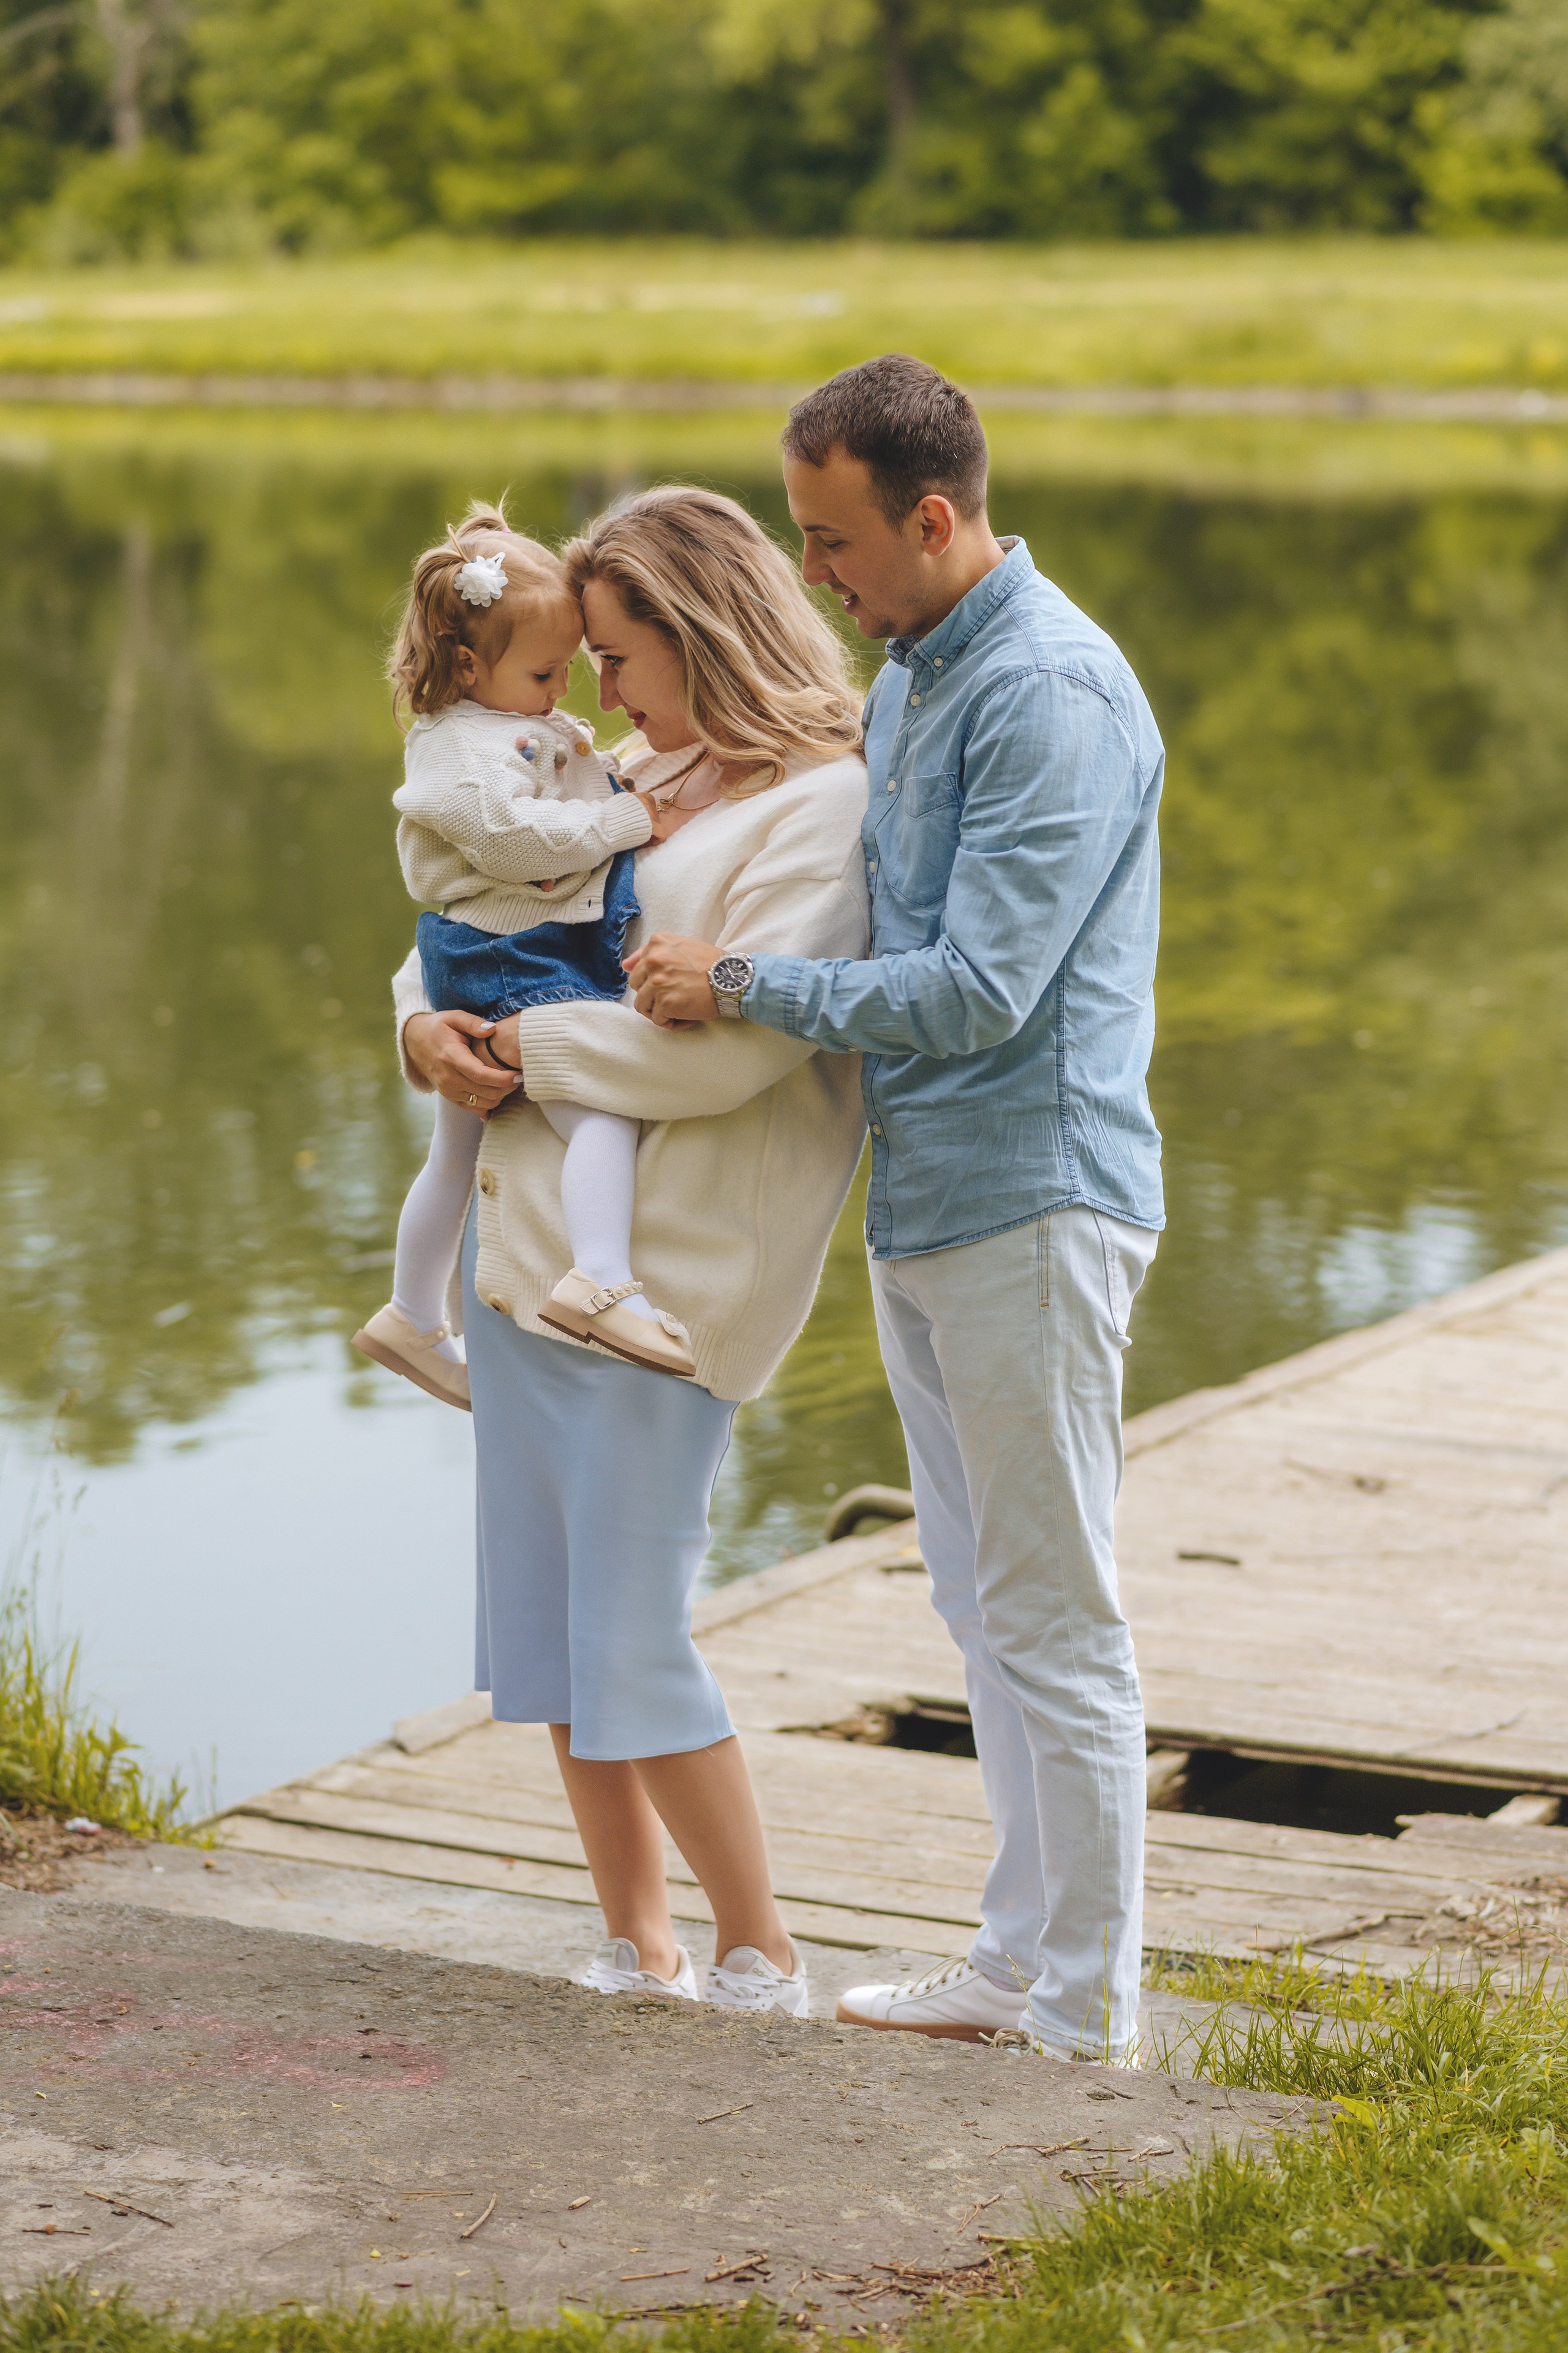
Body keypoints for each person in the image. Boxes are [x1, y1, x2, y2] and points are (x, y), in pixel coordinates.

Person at [627, 357, 1166, 2065]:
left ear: (934, 519)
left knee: (1056, 1609)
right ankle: (1017, 1960)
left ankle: (1087, 2010)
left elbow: (984, 989)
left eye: (834, 544)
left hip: (1038, 1198)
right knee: (977, 1601)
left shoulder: (1054, 691)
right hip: (928, 1201)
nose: (815, 581)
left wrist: (746, 983)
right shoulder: (916, 672)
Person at [395, 485, 870, 2015]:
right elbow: (462, 918)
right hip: (522, 1256)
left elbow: (736, 1056)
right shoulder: (615, 767)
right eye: (580, 657)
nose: (593, 686)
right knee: (542, 1630)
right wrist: (420, 1027)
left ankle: (759, 1951)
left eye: (614, 653)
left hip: (667, 1285)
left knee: (634, 1630)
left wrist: (522, 1048)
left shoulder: (819, 805)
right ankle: (636, 1941)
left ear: (694, 629)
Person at [355, 504, 694, 1408]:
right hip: (512, 958)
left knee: (454, 1152)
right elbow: (510, 842)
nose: (564, 694)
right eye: (547, 673)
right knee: (601, 1114)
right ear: (469, 665)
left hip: (490, 949)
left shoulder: (489, 726)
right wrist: (623, 819)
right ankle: (601, 1277)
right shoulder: (460, 753)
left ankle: (412, 1315)